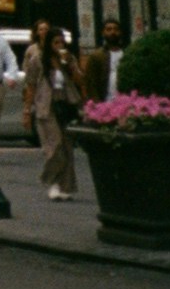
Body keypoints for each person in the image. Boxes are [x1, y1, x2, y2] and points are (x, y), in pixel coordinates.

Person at [21, 20, 83, 200]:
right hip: (46, 105)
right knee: (54, 145)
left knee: (67, 147)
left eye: (62, 42)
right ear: (48, 44)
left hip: (65, 103)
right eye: (55, 43)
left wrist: (69, 66)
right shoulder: (38, 60)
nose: (59, 46)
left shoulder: (69, 59)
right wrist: (27, 111)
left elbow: (80, 80)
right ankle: (51, 180)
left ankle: (66, 186)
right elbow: (31, 86)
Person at [83, 17, 128, 104]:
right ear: (103, 33)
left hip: (125, 102)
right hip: (104, 102)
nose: (113, 32)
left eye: (116, 29)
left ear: (120, 32)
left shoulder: (127, 53)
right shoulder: (96, 56)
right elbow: (91, 83)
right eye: (109, 29)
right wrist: (97, 104)